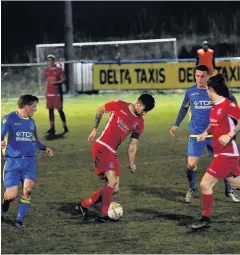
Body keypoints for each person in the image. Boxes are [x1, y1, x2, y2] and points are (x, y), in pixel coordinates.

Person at [76, 94, 155, 223]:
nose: (144, 113)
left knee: (115, 187)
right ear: (138, 103)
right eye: (144, 109)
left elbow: (133, 144)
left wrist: (131, 162)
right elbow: (100, 109)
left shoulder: (139, 123)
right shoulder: (119, 105)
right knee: (111, 182)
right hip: (102, 146)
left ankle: (84, 205)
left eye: (146, 112)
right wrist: (95, 129)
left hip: (111, 151)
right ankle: (104, 215)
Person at [169, 65, 239, 203]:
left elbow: (232, 102)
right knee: (191, 165)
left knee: (225, 165)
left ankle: (229, 191)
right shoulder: (191, 92)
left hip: (217, 135)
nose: (199, 79)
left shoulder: (215, 90)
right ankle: (192, 188)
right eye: (197, 76)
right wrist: (176, 124)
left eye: (202, 76)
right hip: (197, 134)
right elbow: (184, 108)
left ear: (208, 76)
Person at [188, 74, 240, 229]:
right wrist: (205, 133)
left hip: (227, 154)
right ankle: (205, 219)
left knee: (205, 184)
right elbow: (214, 123)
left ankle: (205, 219)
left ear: (211, 90)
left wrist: (230, 135)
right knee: (234, 182)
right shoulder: (215, 107)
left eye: (207, 89)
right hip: (220, 153)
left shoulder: (228, 104)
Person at [1, 94, 54, 228]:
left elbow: (34, 142)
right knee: (11, 195)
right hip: (13, 163)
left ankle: (19, 220)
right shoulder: (9, 119)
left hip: (29, 162)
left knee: (28, 190)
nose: (35, 109)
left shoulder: (31, 122)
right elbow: (1, 136)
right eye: (34, 106)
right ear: (26, 106)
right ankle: (6, 200)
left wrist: (45, 147)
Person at [45, 54, 68, 135]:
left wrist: (55, 83)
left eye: (51, 60)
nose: (50, 62)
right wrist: (46, 92)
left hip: (57, 94)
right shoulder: (47, 70)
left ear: (54, 61)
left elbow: (63, 80)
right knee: (50, 111)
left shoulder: (59, 70)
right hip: (49, 94)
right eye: (48, 60)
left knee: (60, 110)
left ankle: (65, 126)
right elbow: (47, 82)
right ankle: (52, 128)